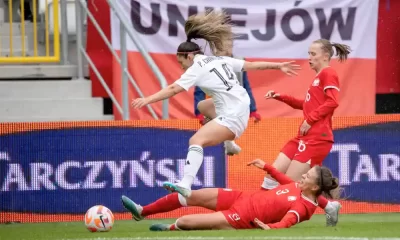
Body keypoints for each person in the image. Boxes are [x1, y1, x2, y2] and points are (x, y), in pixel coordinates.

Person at [131, 10, 300, 198]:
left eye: (181, 62)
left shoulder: (195, 68)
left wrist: (147, 99)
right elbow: (251, 66)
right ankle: (229, 144)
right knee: (203, 106)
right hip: (240, 106)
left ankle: (186, 184)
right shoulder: (218, 59)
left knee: (195, 141)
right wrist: (278, 66)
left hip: (233, 116)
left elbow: (172, 89)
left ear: (189, 56)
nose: (181, 67)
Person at [260, 39, 351, 227]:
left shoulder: (329, 73)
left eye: (313, 54)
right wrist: (281, 97)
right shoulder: (319, 77)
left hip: (317, 138)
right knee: (271, 176)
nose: (309, 58)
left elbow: (333, 102)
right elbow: (307, 105)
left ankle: (264, 216)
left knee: (293, 186)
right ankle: (256, 209)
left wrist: (310, 120)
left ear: (325, 56)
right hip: (303, 137)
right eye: (308, 53)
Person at [121, 158, 340, 231]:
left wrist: (269, 228)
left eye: (307, 176)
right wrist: (265, 166)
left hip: (241, 217)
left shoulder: (303, 208)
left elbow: (287, 222)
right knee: (191, 195)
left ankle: (169, 229)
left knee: (184, 222)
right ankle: (142, 211)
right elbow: (283, 179)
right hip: (241, 197)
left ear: (314, 187)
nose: (302, 176)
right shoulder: (299, 187)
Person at [194, 39, 261, 126]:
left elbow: (246, 87)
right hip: (214, 110)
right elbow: (199, 92)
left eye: (229, 45)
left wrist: (252, 110)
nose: (227, 49)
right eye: (223, 46)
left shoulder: (240, 62)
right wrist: (199, 113)